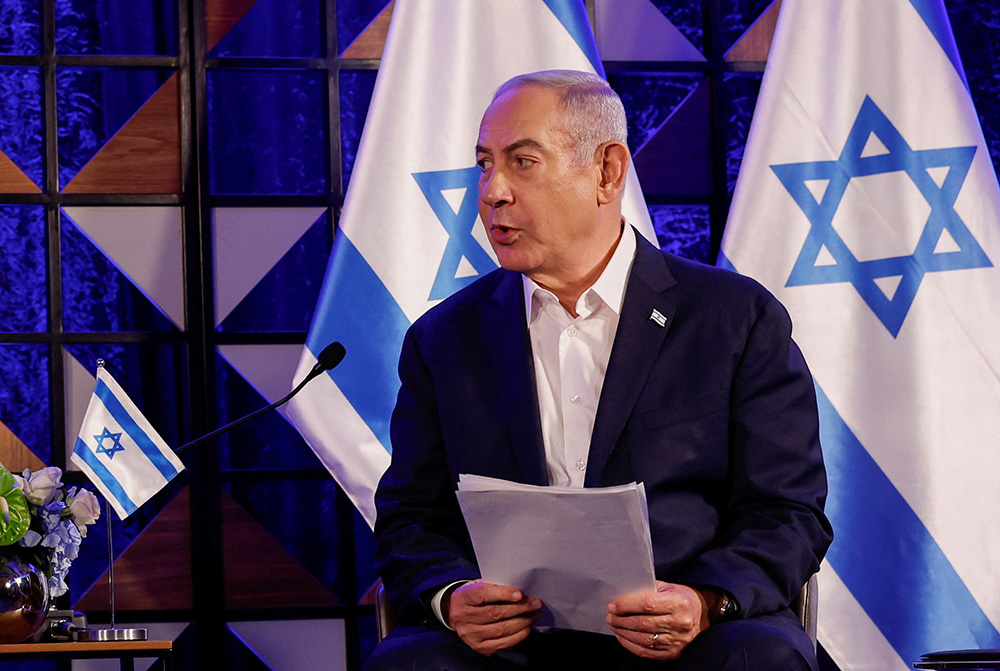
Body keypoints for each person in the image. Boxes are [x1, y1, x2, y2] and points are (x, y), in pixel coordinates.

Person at [365, 69, 833, 671]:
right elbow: (412, 518)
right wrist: (451, 596)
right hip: (511, 644)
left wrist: (706, 600)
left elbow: (788, 510)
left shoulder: (735, 318)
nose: (492, 192)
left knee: (758, 659)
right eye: (484, 164)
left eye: (522, 162)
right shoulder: (444, 338)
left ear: (607, 172)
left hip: (691, 635)